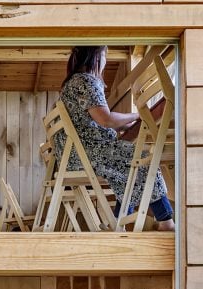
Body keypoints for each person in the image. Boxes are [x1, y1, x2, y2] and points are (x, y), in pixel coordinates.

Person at [56, 45, 175, 231]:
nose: (105, 61)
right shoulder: (86, 81)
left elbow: (96, 122)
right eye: (104, 56)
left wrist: (126, 123)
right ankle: (166, 221)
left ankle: (119, 224)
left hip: (78, 155)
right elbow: (106, 119)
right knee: (143, 158)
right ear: (95, 57)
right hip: (90, 154)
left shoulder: (72, 83)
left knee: (127, 172)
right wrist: (137, 116)